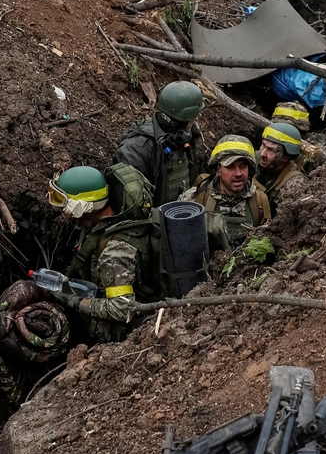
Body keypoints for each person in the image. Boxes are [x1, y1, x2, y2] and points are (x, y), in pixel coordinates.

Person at [41, 163, 161, 343]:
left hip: (123, 336)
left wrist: (73, 300)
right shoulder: (104, 223)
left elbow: (122, 309)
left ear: (83, 207)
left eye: (67, 209)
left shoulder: (114, 252)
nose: (66, 216)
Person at [115, 81, 205, 207]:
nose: (195, 122)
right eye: (193, 118)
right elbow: (129, 206)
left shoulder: (183, 136)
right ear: (183, 119)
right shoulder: (137, 149)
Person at [181, 135, 271, 251]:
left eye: (243, 166)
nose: (238, 173)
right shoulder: (197, 198)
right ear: (219, 169)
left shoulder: (260, 201)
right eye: (230, 167)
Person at [257, 122, 310, 197]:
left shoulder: (295, 184)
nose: (262, 154)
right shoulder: (253, 159)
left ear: (287, 156)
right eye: (263, 145)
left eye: (271, 150)